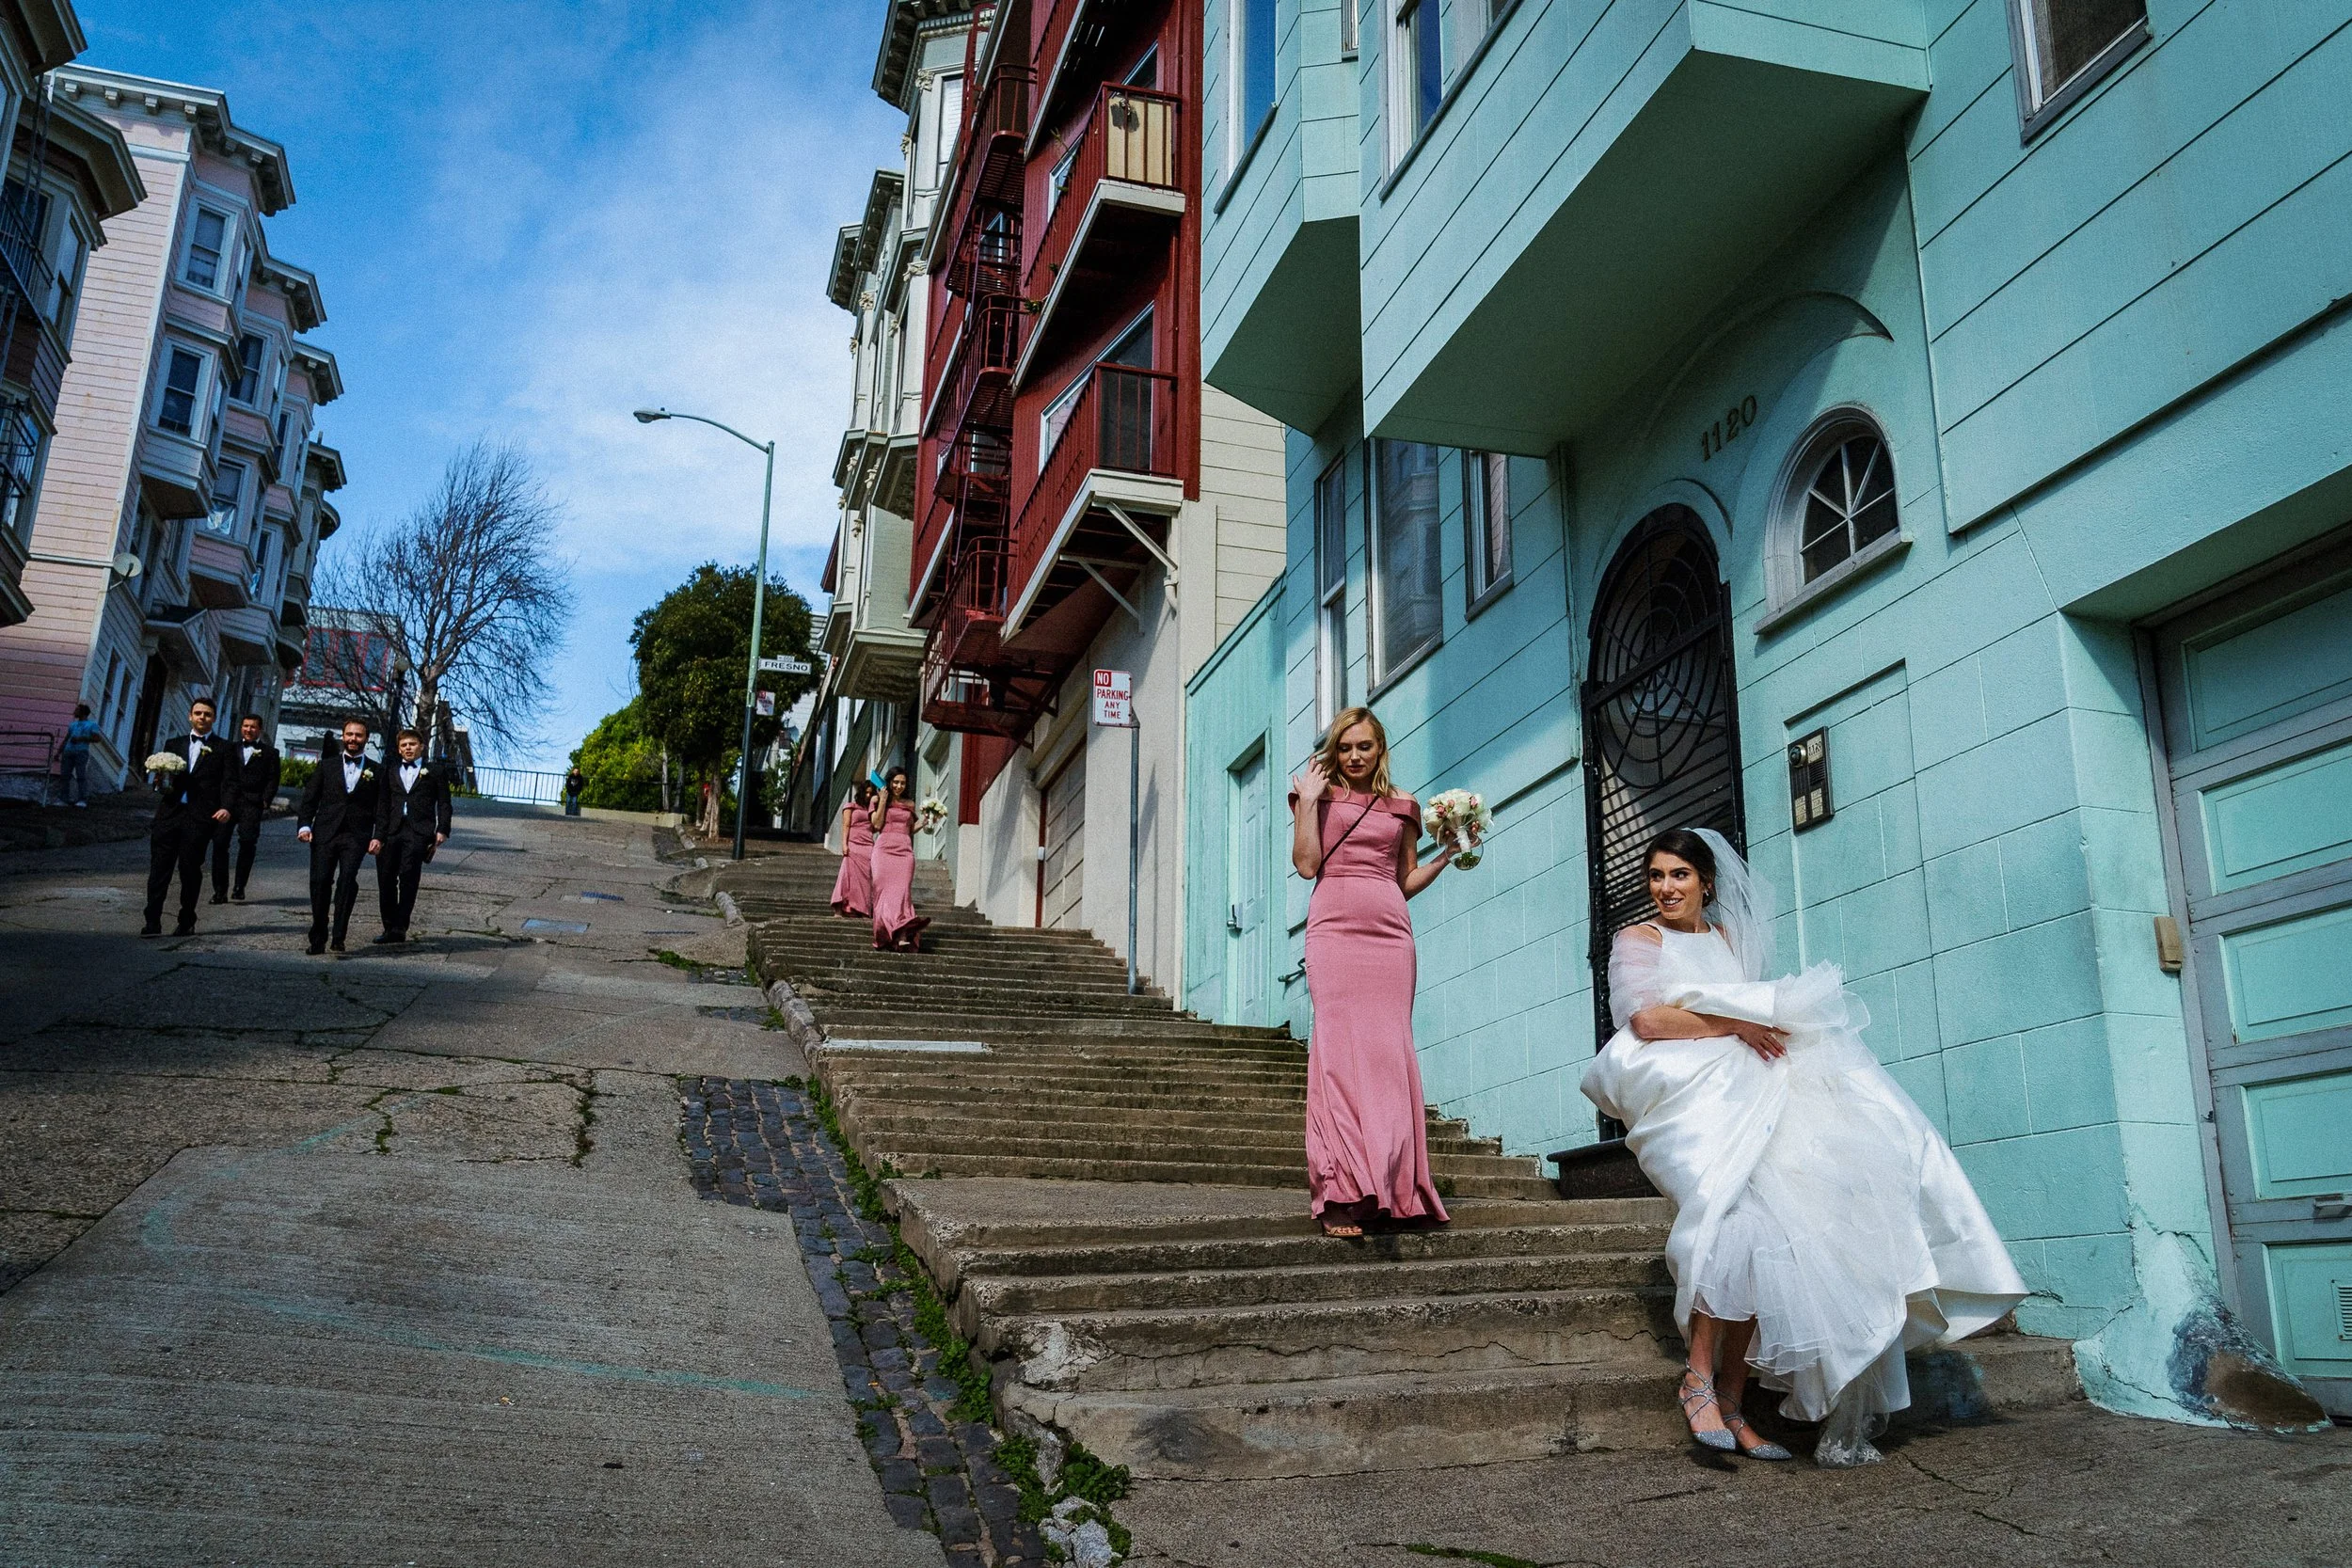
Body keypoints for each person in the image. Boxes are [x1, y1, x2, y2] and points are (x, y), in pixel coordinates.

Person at [1581, 828, 2026, 1466]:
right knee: (1727, 1219)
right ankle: (1698, 1381)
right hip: (1688, 1104)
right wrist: (1738, 1022)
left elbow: (1758, 1014)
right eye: (1656, 875)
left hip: (1749, 1092)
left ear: (1706, 881)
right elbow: (1648, 1022)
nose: (1665, 887)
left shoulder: (1730, 940)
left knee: (1771, 1232)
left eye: (1679, 874)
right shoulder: (1638, 940)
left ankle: (1731, 1405)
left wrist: (1759, 1027)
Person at [1288, 706, 1456, 1240]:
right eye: (1345, 748)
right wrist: (1309, 804)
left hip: (1389, 934)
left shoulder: (1403, 806)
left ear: (1380, 749)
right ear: (1334, 751)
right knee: (1337, 1057)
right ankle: (1337, 1193)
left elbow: (1403, 878)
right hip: (1333, 930)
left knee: (1388, 1056)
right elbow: (1308, 866)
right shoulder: (1316, 796)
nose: (1355, 756)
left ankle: (1392, 1189)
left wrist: (1447, 854)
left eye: (1365, 747)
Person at [142, 697, 231, 937]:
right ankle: (152, 921)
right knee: (159, 870)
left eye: (208, 714)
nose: (202, 718)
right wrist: (159, 782)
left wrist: (226, 808)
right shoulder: (174, 744)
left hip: (199, 818)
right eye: (198, 713)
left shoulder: (223, 748)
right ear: (190, 716)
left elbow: (229, 783)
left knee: (190, 870)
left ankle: (186, 920)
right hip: (170, 814)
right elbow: (163, 782)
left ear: (213, 719)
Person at [297, 719, 385, 955]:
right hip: (325, 833)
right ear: (342, 736)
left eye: (358, 735)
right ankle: (318, 936)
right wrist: (304, 826)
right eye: (349, 734)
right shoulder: (327, 766)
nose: (353, 739)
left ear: (366, 738)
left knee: (347, 881)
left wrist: (378, 836)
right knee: (320, 881)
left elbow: (381, 808)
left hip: (356, 836)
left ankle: (339, 936)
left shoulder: (377, 771)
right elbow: (309, 800)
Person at [373, 727, 451, 944]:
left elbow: (444, 803)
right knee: (385, 878)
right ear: (399, 750)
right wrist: (378, 834)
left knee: (408, 877)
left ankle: (400, 927)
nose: (408, 748)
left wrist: (442, 829)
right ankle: (388, 927)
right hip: (391, 830)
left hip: (418, 831)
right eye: (404, 745)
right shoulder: (390, 771)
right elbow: (383, 804)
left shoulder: (434, 771)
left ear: (421, 747)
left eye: (412, 744)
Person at [211, 715, 280, 903]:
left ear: (260, 730)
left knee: (248, 842)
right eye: (245, 726)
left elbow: (273, 780)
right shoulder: (229, 749)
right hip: (227, 803)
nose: (248, 730)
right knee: (219, 843)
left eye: (253, 727)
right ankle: (219, 890)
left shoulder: (270, 753)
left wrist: (265, 800)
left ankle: (240, 886)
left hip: (252, 803)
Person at [868, 767, 928, 952]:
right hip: (884, 850)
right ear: (889, 782)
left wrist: (924, 822)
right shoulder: (877, 799)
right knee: (883, 893)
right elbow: (876, 824)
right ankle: (886, 932)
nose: (899, 786)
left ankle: (901, 935)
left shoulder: (909, 804)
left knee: (902, 894)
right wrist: (884, 801)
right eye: (895, 782)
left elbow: (909, 829)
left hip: (904, 852)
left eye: (902, 783)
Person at [831, 781, 876, 918]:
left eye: (871, 793)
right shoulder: (850, 806)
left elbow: (876, 826)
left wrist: (875, 803)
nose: (868, 795)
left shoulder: (872, 810)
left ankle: (859, 908)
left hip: (868, 846)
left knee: (865, 879)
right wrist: (844, 844)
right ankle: (839, 907)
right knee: (846, 875)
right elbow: (846, 826)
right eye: (866, 792)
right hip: (853, 845)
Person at [58, 703, 102, 808]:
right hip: (68, 752)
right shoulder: (72, 725)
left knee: (80, 775)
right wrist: (59, 751)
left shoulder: (91, 725)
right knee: (65, 776)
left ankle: (82, 799)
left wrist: (81, 739)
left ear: (83, 712)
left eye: (77, 710)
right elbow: (67, 738)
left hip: (81, 752)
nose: (75, 712)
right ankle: (64, 799)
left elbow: (97, 739)